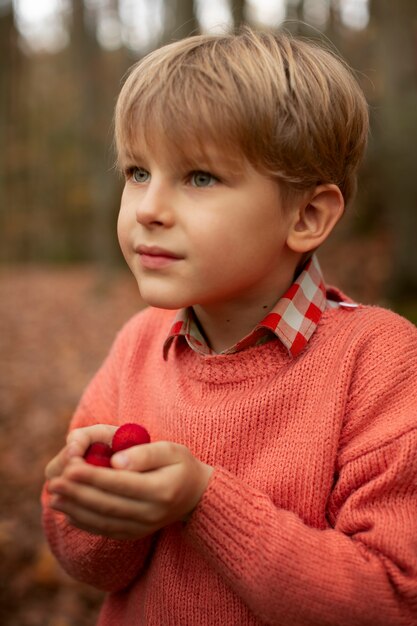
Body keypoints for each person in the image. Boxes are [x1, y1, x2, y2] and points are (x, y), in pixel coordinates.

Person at [42, 28, 417, 626]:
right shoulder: (139, 343)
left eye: (199, 178)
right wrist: (90, 506)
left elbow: (392, 600)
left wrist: (203, 500)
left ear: (307, 215)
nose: (147, 209)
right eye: (138, 171)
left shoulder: (381, 364)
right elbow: (91, 567)